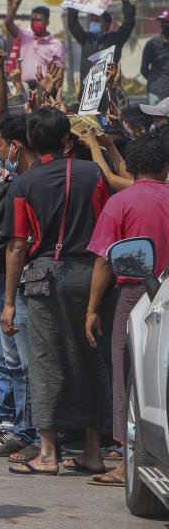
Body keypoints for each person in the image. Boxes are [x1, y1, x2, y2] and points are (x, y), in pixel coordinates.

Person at [1, 107, 110, 477]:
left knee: (46, 364)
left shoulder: (23, 184)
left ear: (30, 141)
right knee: (88, 361)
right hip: (90, 273)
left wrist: (9, 301)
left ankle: (48, 454)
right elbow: (105, 224)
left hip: (42, 275)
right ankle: (93, 452)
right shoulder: (93, 173)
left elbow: (17, 246)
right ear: (68, 139)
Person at [85, 133, 169, 487]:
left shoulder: (121, 202)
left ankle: (127, 459)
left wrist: (91, 309)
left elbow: (106, 262)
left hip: (137, 296)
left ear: (130, 169)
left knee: (127, 378)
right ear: (166, 167)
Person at [67, 0, 135, 83]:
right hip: (87, 92)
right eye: (91, 20)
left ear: (107, 24)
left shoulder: (115, 40)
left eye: (97, 21)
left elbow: (129, 23)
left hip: (108, 90)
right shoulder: (86, 39)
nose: (92, 23)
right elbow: (72, 24)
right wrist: (75, 2)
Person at [5, 0, 66, 86]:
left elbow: (59, 73)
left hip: (44, 88)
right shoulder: (25, 37)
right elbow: (8, 24)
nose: (34, 22)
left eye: (38, 20)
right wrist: (16, 4)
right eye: (32, 20)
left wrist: (54, 95)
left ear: (47, 22)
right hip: (25, 87)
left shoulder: (56, 45)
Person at [140, 9, 169, 105]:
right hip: (155, 93)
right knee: (153, 119)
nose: (164, 24)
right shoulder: (152, 44)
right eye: (162, 22)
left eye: (166, 22)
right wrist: (154, 80)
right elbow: (144, 69)